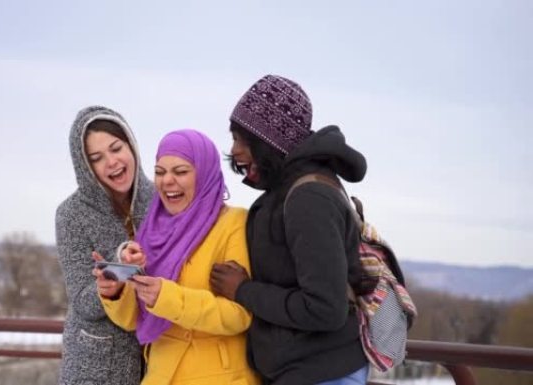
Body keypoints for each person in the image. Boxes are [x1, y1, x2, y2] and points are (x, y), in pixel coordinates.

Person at [210, 75, 370, 384]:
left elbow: (325, 309)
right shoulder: (285, 192)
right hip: (303, 371)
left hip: (323, 372)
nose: (235, 151)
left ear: (269, 140)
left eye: (243, 140)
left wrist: (243, 290)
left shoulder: (308, 199)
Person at [94, 129, 259, 385]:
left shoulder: (234, 224)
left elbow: (239, 315)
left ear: (204, 174)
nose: (166, 181)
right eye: (159, 172)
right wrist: (115, 292)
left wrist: (167, 297)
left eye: (180, 172)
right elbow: (133, 321)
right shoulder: (152, 230)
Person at [56, 105, 154, 385]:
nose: (112, 162)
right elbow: (84, 301)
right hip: (98, 368)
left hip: (160, 362)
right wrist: (118, 269)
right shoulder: (71, 214)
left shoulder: (162, 200)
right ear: (85, 168)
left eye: (116, 148)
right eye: (97, 158)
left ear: (131, 146)